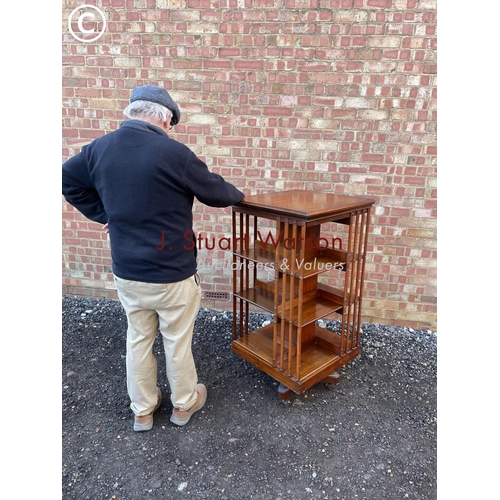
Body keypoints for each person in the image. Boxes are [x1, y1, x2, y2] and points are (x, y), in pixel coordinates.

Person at [62, 84, 245, 431]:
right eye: (170, 124)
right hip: (172, 272)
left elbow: (67, 180)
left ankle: (142, 411)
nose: (169, 130)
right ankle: (183, 405)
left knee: (138, 337)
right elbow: (220, 194)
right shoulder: (173, 153)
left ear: (132, 113)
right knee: (176, 339)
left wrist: (106, 215)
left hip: (128, 271)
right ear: (163, 117)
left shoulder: (98, 149)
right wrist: (241, 195)